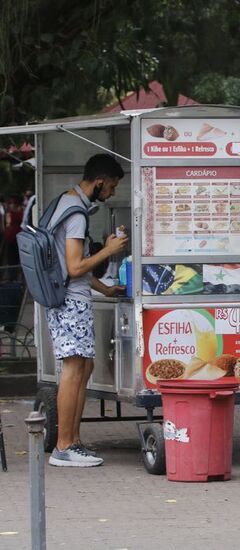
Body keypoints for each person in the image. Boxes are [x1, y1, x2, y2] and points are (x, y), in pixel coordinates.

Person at [46, 154, 128, 467]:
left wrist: (105, 289)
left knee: (85, 366)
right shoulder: (77, 215)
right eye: (111, 186)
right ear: (98, 182)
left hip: (66, 296)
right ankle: (64, 446)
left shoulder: (63, 202)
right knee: (73, 368)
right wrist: (108, 250)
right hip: (70, 301)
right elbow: (74, 265)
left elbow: (70, 267)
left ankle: (73, 441)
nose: (112, 193)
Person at [2, 195, 23, 280]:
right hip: (17, 237)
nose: (10, 205)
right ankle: (16, 277)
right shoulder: (22, 211)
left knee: (11, 259)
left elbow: (7, 224)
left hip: (12, 236)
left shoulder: (10, 213)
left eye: (11, 203)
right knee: (16, 258)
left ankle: (13, 277)